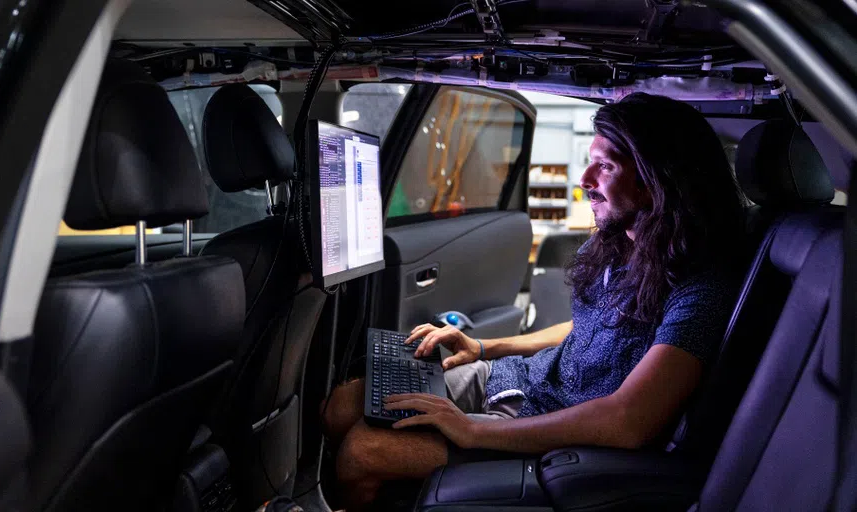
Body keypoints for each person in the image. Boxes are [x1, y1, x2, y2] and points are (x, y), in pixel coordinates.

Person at [320, 92, 746, 511]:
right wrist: (484, 347)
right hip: (517, 380)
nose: (585, 181)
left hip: (549, 431)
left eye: (606, 166)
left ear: (659, 181)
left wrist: (470, 431)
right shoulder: (624, 245)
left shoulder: (701, 290)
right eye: (590, 161)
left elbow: (628, 420)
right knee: (343, 406)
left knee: (363, 450)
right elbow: (583, 328)